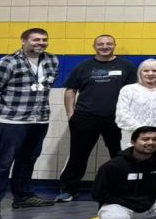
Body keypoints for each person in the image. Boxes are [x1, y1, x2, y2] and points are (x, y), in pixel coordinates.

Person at [0, 27, 58, 219]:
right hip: (11, 120)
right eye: (36, 40)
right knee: (3, 162)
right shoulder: (8, 62)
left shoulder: (52, 60)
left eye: (44, 40)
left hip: (39, 119)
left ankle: (23, 197)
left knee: (28, 159)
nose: (41, 43)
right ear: (23, 41)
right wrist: (13, 105)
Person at [57, 34, 138, 202]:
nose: (105, 47)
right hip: (85, 117)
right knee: (78, 155)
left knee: (120, 154)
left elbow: (134, 92)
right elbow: (70, 90)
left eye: (109, 43)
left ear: (114, 45)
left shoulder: (127, 66)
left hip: (117, 118)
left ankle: (121, 188)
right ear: (94, 46)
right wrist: (71, 114)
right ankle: (69, 189)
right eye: (100, 44)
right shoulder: (83, 67)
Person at [115, 59, 156, 147]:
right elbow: (122, 114)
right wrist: (141, 130)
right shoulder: (128, 90)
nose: (150, 73)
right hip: (132, 135)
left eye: (154, 70)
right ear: (140, 72)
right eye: (146, 71)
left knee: (155, 156)